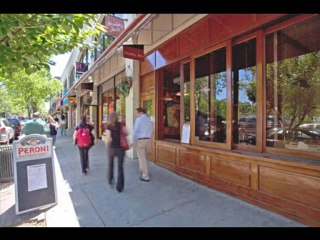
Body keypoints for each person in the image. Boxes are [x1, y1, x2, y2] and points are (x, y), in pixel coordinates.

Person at [105, 112, 126, 193]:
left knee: (110, 164)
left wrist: (107, 145)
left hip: (112, 148)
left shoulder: (109, 126)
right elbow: (126, 132)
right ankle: (120, 187)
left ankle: (110, 179)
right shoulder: (121, 125)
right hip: (120, 148)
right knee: (120, 167)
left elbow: (108, 139)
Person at [131, 107, 153, 182]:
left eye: (136, 113)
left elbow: (135, 131)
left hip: (141, 141)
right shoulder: (149, 118)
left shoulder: (139, 120)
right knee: (145, 157)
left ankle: (145, 176)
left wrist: (132, 141)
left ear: (141, 112)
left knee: (142, 158)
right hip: (148, 140)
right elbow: (152, 128)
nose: (136, 114)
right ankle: (143, 170)